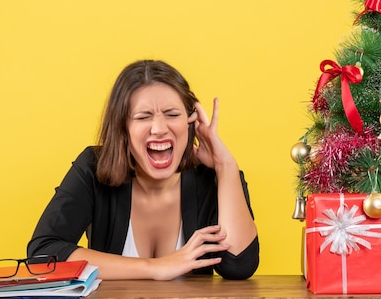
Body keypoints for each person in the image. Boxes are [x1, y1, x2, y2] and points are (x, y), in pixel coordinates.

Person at [27, 60, 259, 280]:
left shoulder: (214, 178)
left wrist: (226, 166)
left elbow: (239, 266)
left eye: (172, 114)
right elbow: (42, 254)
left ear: (191, 122)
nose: (158, 128)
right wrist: (156, 267)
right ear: (123, 129)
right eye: (143, 117)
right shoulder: (92, 167)